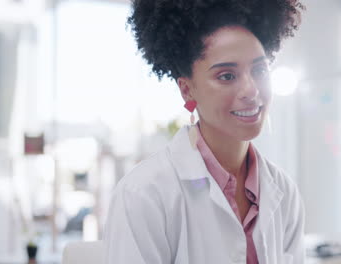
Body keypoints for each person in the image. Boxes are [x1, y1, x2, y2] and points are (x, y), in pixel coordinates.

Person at [103, 0, 306, 263]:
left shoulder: (284, 191)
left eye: (259, 70)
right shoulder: (144, 194)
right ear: (187, 89)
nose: (252, 90)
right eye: (227, 76)